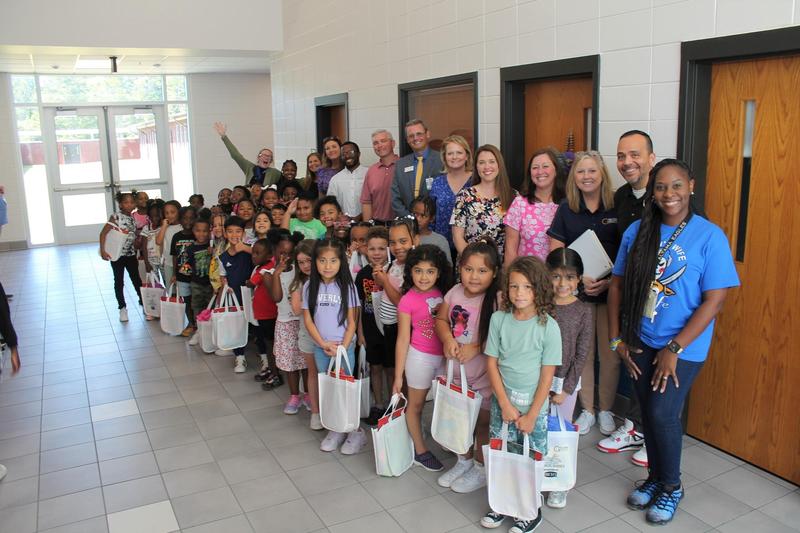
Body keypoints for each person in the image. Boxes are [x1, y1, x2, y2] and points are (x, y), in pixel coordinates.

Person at [609, 159, 739, 525]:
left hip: (683, 347)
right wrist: (616, 336)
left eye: (677, 185)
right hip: (639, 339)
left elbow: (715, 298)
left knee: (664, 414)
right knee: (648, 412)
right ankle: (654, 478)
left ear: (691, 186)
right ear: (652, 191)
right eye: (662, 187)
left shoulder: (709, 236)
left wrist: (675, 348)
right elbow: (617, 283)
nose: (669, 194)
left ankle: (672, 486)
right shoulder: (637, 231)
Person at [481, 256, 562, 533]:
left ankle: (530, 510)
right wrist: (503, 403)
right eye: (514, 287)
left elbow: (547, 377)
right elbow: (491, 363)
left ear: (539, 289)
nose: (519, 294)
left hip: (533, 407)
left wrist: (532, 415)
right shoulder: (498, 319)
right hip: (502, 402)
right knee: (503, 452)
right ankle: (501, 504)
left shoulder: (548, 326)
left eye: (527, 287)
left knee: (530, 457)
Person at [548, 151, 619, 436]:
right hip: (578, 296)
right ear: (573, 177)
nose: (587, 176)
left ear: (602, 174)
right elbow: (556, 250)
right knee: (584, 354)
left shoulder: (616, 207)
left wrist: (611, 281)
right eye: (581, 172)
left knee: (611, 355)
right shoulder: (566, 209)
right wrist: (576, 282)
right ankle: (588, 409)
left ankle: (606, 410)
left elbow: (628, 250)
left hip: (611, 293)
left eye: (592, 171)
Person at [598, 130, 658, 466]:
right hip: (629, 297)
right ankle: (635, 426)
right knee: (633, 362)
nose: (627, 162)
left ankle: (655, 433)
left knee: (657, 368)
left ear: (651, 158)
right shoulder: (621, 197)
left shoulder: (666, 194)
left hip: (661, 301)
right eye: (621, 156)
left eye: (635, 155)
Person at [435, 240, 500, 493]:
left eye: (482, 271)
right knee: (458, 419)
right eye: (469, 269)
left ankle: (481, 469)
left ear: (494, 273)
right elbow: (441, 319)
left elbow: (501, 334)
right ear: (460, 268)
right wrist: (448, 338)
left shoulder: (497, 299)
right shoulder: (453, 292)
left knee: (482, 424)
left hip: (483, 375)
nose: (474, 276)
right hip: (456, 372)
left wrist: (476, 346)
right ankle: (464, 460)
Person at [392, 244, 453, 471]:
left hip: (445, 358)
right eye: (418, 270)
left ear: (438, 272)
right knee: (415, 406)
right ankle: (420, 450)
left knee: (445, 403)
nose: (424, 277)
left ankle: (444, 438)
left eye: (430, 271)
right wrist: (398, 376)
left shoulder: (446, 293)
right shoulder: (407, 300)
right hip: (420, 358)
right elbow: (402, 340)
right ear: (410, 271)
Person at [302, 238, 363, 453]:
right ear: (315, 262)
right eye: (322, 260)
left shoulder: (347, 286)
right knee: (329, 389)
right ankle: (336, 429)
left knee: (345, 389)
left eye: (333, 260)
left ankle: (354, 431)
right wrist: (323, 344)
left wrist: (342, 348)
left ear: (341, 262)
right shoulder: (310, 286)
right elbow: (308, 320)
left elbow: (352, 322)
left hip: (343, 350)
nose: (327, 266)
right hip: (321, 348)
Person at [544, 247, 593, 509]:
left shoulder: (583, 311)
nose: (563, 284)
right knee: (540, 431)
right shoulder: (540, 305)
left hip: (566, 383)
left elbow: (582, 354)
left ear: (579, 279)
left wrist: (567, 387)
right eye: (556, 276)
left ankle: (560, 484)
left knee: (561, 435)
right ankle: (539, 476)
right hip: (538, 380)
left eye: (570, 277)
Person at [266, 229, 308, 408]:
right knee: (291, 365)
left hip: (303, 323)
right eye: (282, 253)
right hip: (285, 324)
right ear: (274, 251)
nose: (286, 257)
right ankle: (294, 396)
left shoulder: (301, 271)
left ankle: (308, 394)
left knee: (306, 362)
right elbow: (276, 297)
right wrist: (277, 273)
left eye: (290, 253)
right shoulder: (268, 274)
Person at [504, 147, 566, 265]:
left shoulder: (566, 204)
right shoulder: (519, 204)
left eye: (545, 166)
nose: (540, 171)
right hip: (526, 278)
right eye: (535, 167)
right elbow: (510, 250)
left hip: (558, 278)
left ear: (556, 170)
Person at [451, 144, 515, 257]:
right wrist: (474, 262)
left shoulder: (513, 196)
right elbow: (457, 237)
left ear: (499, 165)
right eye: (481, 162)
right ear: (476, 167)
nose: (487, 166)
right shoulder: (464, 196)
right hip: (471, 266)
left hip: (502, 266)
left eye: (491, 161)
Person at [374, 218, 416, 386]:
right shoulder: (392, 265)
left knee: (403, 370)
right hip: (388, 327)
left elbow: (402, 303)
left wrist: (385, 282)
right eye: (393, 242)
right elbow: (382, 287)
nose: (398, 247)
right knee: (393, 367)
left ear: (415, 239)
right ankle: (397, 404)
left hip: (402, 328)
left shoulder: (413, 269)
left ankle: (403, 405)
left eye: (403, 241)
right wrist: (378, 277)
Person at [355, 226, 390, 425]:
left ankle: (394, 404)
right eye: (372, 248)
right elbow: (359, 306)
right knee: (375, 368)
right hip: (370, 330)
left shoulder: (393, 271)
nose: (376, 253)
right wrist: (360, 333)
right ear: (366, 250)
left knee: (391, 369)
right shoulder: (362, 275)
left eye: (381, 248)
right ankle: (378, 404)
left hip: (390, 330)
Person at [99, 192, 144, 323]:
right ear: (120, 204)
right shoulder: (115, 217)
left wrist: (137, 243)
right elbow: (103, 233)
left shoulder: (134, 218)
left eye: (131, 202)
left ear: (135, 204)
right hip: (116, 255)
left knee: (136, 279)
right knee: (119, 281)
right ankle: (122, 308)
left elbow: (133, 236)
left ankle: (143, 301)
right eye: (126, 202)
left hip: (130, 255)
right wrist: (103, 250)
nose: (129, 204)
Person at [290, 240, 320, 428]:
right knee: (313, 373)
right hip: (308, 335)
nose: (306, 266)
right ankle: (315, 413)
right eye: (301, 262)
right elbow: (296, 310)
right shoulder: (298, 283)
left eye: (309, 260)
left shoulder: (329, 279)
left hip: (331, 335)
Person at [217, 216, 254, 367]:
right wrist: (225, 284)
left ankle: (265, 359)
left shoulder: (250, 250)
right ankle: (240, 357)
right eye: (230, 231)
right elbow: (222, 275)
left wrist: (246, 248)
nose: (234, 235)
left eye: (238, 231)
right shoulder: (223, 257)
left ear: (244, 233)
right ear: (225, 234)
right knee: (237, 326)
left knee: (256, 328)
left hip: (252, 296)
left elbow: (262, 258)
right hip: (235, 297)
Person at [391, 119, 444, 217]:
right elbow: (395, 198)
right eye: (411, 136)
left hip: (433, 223)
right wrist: (410, 219)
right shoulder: (400, 164)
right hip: (407, 223)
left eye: (419, 134)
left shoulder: (442, 161)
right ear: (407, 140)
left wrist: (428, 219)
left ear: (427, 134)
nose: (415, 138)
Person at [428, 135, 473, 250]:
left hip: (469, 246)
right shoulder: (437, 183)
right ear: (444, 157)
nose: (454, 157)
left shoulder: (476, 181)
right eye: (450, 153)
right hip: (441, 246)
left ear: (467, 156)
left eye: (459, 152)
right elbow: (431, 217)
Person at [247, 239, 279, 380]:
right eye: (253, 252)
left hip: (267, 314)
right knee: (268, 344)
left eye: (258, 253)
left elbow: (250, 283)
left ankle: (275, 373)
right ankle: (271, 370)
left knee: (269, 344)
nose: (254, 255)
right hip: (263, 314)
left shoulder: (263, 270)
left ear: (269, 255)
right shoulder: (268, 266)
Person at [213, 122, 281, 186]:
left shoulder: (275, 173)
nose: (267, 157)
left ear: (271, 161)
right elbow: (236, 155)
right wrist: (224, 136)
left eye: (269, 157)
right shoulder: (249, 167)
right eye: (264, 155)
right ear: (258, 157)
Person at [170, 206, 198, 335]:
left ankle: (199, 324)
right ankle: (191, 324)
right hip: (181, 276)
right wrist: (174, 274)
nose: (188, 221)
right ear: (180, 220)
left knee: (195, 301)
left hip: (196, 277)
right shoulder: (176, 237)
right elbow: (175, 256)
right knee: (186, 301)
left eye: (191, 218)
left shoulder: (198, 234)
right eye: (185, 218)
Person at [360, 129, 399, 224]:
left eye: (383, 141)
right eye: (375, 143)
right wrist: (367, 227)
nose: (379, 145)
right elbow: (366, 202)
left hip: (401, 225)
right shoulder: (371, 171)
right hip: (377, 225)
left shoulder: (404, 166)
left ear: (393, 143)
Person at [185, 219, 214, 346]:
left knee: (211, 306)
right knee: (197, 306)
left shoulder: (212, 247)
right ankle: (199, 331)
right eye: (198, 231)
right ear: (193, 231)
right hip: (196, 283)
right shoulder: (190, 249)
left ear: (209, 232)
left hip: (210, 283)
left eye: (204, 231)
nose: (201, 234)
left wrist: (212, 253)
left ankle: (212, 331)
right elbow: (188, 265)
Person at [327, 141, 367, 219]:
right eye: (343, 154)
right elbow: (331, 205)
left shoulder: (369, 174)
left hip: (366, 222)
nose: (347, 156)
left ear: (358, 154)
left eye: (350, 152)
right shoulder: (335, 179)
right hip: (343, 224)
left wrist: (360, 216)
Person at [411, 195, 452, 265]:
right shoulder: (405, 236)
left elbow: (448, 267)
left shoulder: (440, 241)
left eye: (423, 216)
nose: (418, 219)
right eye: (415, 214)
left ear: (432, 218)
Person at [157, 200, 182, 287]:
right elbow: (158, 241)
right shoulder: (165, 227)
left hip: (182, 263)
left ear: (179, 212)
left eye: (172, 212)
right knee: (171, 289)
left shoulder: (183, 226)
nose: (169, 215)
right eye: (166, 213)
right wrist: (164, 226)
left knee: (182, 289)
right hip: (168, 263)